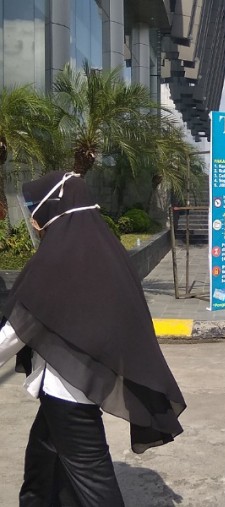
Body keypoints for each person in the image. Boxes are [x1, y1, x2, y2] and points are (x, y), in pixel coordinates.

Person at [0, 171, 186, 506]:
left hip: (68, 393)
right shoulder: (103, 249)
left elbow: (19, 327)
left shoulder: (58, 258)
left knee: (94, 484)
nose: (32, 220)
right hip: (84, 382)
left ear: (50, 210)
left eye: (33, 209)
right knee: (41, 467)